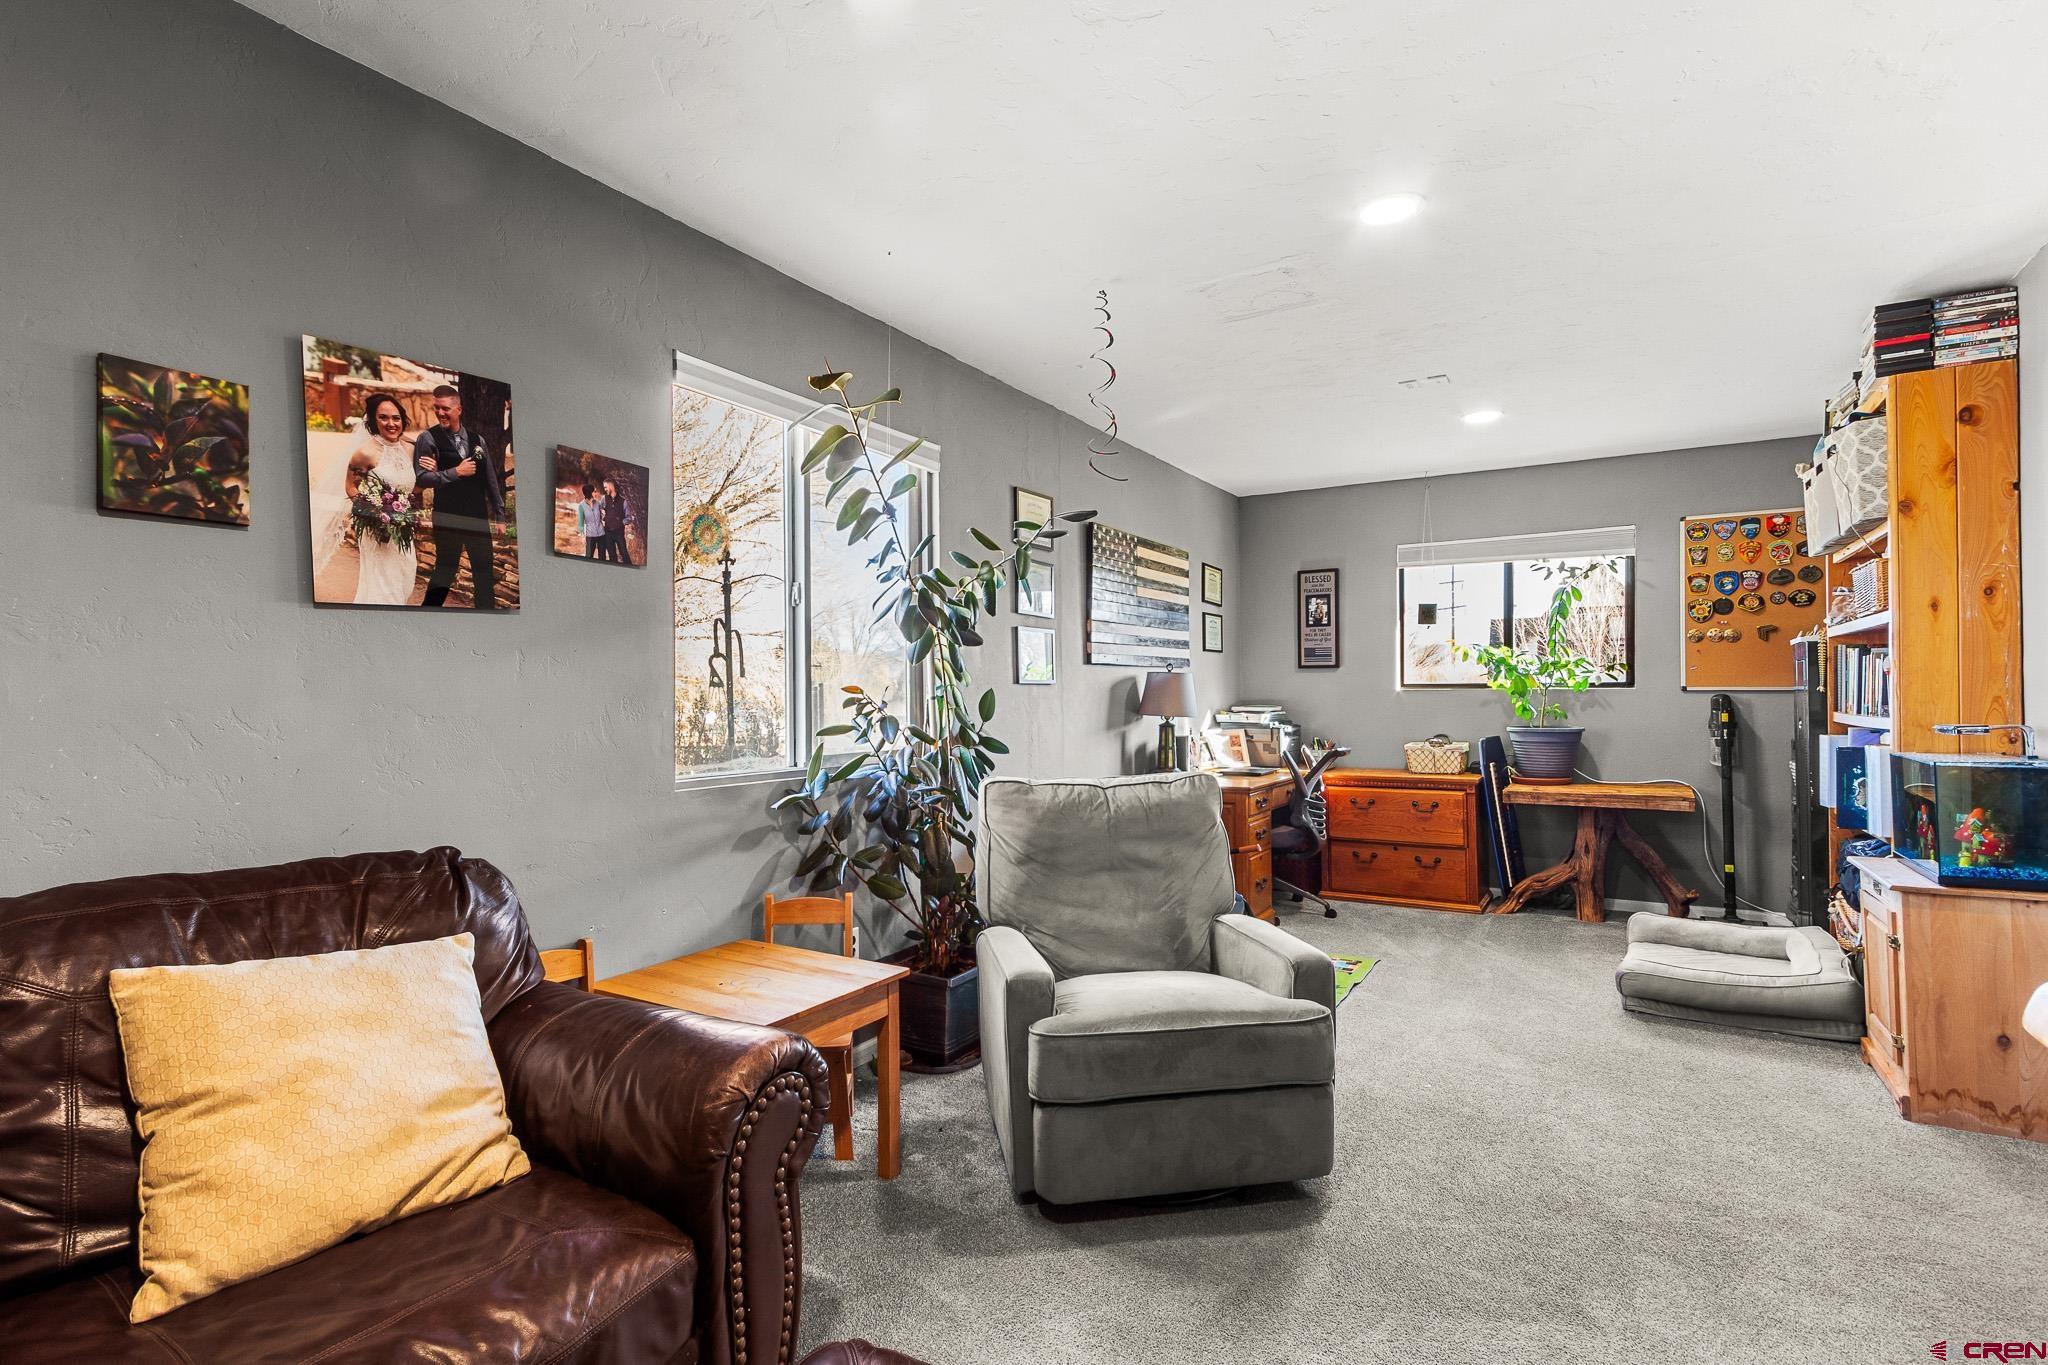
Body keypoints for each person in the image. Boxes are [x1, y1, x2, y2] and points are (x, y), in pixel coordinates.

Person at [414, 383, 505, 608]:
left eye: (445, 408)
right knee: (445, 569)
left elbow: (490, 479)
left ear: (459, 409)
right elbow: (421, 478)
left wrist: (500, 514)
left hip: (477, 516)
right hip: (447, 515)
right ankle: (428, 613)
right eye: (437, 408)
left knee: (483, 571)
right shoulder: (428, 438)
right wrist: (456, 472)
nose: (440, 413)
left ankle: (488, 620)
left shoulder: (478, 440)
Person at [347, 393, 418, 605]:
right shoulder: (365, 453)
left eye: (396, 418)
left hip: (403, 529)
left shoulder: (410, 449)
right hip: (377, 532)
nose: (391, 423)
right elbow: (351, 486)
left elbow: (413, 484)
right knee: (384, 588)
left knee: (405, 580)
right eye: (384, 418)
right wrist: (375, 514)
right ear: (373, 420)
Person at [599, 476, 632, 565]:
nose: (605, 489)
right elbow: (599, 509)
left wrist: (621, 522)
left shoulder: (623, 501)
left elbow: (629, 518)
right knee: (612, 556)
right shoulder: (604, 498)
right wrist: (603, 516)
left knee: (624, 554)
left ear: (610, 486)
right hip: (608, 533)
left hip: (619, 533)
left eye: (606, 487)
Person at [578, 482, 604, 558]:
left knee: (602, 557)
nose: (596, 493)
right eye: (594, 491)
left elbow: (603, 517)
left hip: (601, 534)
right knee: (589, 556)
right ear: (589, 492)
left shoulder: (598, 504)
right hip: (590, 536)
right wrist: (582, 536)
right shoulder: (581, 506)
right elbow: (580, 523)